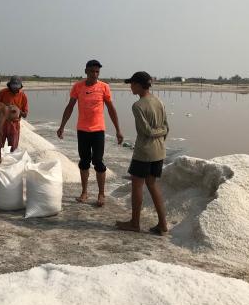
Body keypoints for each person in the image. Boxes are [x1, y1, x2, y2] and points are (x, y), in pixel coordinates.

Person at [57, 60, 123, 207]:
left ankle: (101, 194)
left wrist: (118, 130)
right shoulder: (78, 87)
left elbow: (111, 109)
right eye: (92, 71)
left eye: (97, 72)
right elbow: (70, 107)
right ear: (86, 71)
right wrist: (62, 126)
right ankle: (84, 192)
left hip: (98, 130)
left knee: (98, 161)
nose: (94, 74)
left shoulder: (104, 87)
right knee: (84, 162)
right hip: (82, 130)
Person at [116, 71, 169, 235]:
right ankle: (162, 224)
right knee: (152, 184)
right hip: (159, 151)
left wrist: (156, 132)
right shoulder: (159, 101)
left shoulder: (138, 106)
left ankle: (134, 223)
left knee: (137, 185)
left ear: (139, 85)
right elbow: (166, 128)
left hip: (144, 151)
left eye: (132, 84)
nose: (131, 87)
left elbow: (146, 131)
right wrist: (161, 133)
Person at [0, 76, 29, 152]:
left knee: (13, 148)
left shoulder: (23, 95)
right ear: (10, 85)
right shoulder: (3, 92)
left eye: (17, 86)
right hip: (2, 122)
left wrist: (17, 110)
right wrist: (5, 108)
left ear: (20, 86)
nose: (15, 88)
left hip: (14, 124)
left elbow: (25, 115)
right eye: (13, 85)